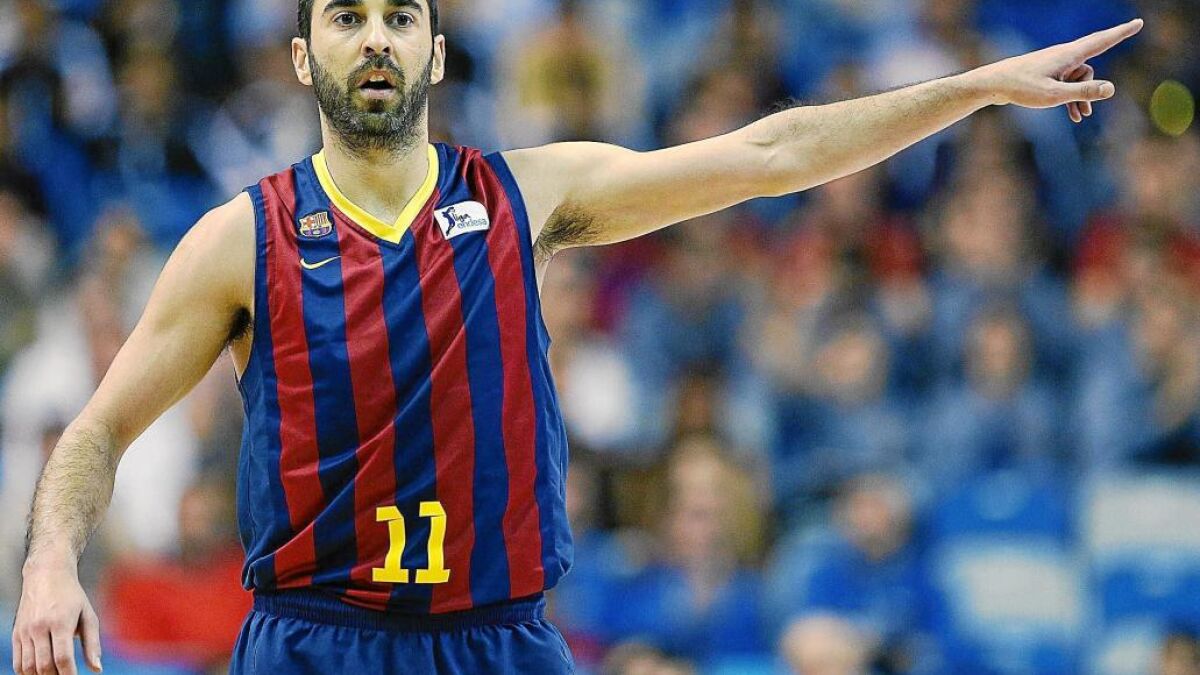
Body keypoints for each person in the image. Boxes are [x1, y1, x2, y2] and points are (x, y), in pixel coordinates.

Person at [10, 1, 1143, 672]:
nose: (375, 39)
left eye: (401, 17)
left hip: (496, 637)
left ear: (436, 52)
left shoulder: (527, 193)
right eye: (345, 17)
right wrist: (52, 561)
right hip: (314, 641)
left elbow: (773, 153)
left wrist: (974, 89)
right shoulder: (238, 238)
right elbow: (96, 433)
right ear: (304, 56)